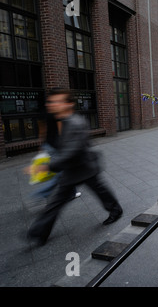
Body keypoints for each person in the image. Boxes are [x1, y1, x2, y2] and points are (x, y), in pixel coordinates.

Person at [27, 88, 123, 246]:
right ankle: (39, 233)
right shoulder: (61, 121)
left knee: (101, 191)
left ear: (69, 104)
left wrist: (46, 166)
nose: (52, 104)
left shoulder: (75, 123)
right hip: (72, 170)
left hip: (85, 167)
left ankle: (116, 210)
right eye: (51, 101)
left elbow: (70, 152)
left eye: (57, 101)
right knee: (56, 202)